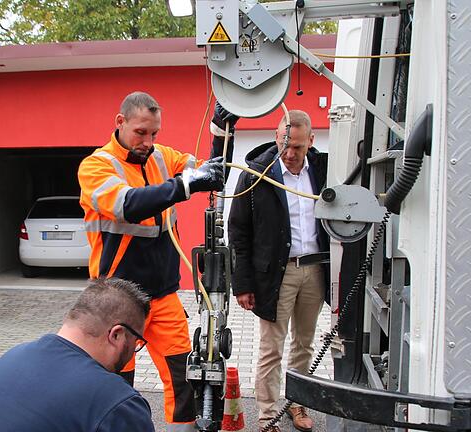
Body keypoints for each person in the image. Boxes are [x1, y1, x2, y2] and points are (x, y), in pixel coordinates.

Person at [77, 91, 225, 432]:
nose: (148, 141)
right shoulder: (96, 166)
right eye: (141, 132)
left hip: (162, 295)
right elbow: (128, 204)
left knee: (181, 373)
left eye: (154, 133)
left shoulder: (163, 157)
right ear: (120, 122)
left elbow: (209, 173)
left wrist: (221, 130)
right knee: (115, 379)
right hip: (117, 297)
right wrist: (185, 185)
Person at [228, 110, 329, 432]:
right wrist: (243, 284)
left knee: (305, 344)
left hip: (314, 270)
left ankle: (297, 405)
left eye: (297, 147)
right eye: (284, 144)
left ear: (311, 141)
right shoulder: (257, 175)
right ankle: (268, 415)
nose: (289, 153)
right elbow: (238, 232)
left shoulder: (326, 170)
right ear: (276, 137)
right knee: (272, 348)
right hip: (276, 275)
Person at [0, 277, 155, 432]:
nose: (133, 352)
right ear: (117, 334)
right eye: (136, 343)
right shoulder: (117, 403)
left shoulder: (11, 357)